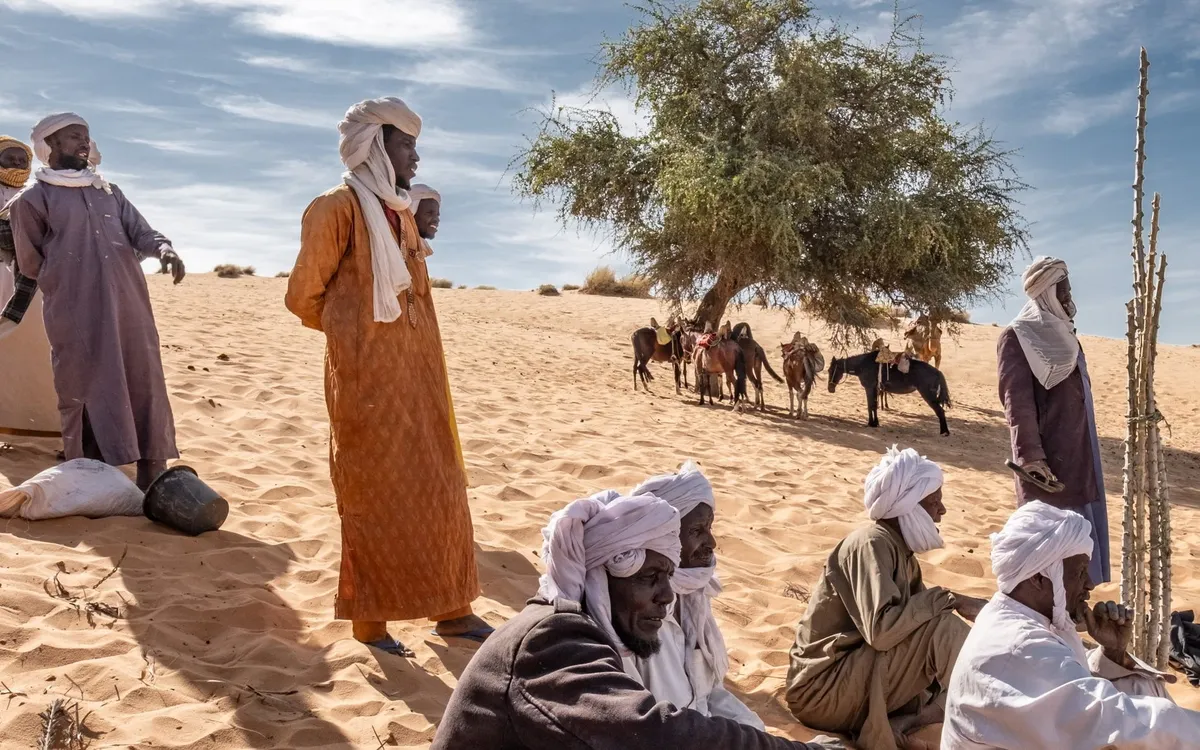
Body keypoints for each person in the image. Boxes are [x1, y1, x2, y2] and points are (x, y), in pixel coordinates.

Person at [284, 97, 489, 656]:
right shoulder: (336, 208)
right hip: (366, 384)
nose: (415, 158)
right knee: (373, 493)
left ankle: (452, 609)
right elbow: (303, 296)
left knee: (440, 485)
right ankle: (370, 623)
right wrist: (357, 336)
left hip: (422, 379)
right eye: (405, 145)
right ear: (376, 147)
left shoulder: (400, 212)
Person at [432, 491, 843, 749]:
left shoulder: (586, 633)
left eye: (667, 577)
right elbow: (652, 732)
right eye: (649, 578)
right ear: (599, 577)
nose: (667, 596)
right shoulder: (552, 637)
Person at [7, 114, 184, 489]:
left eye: (86, 136)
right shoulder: (32, 200)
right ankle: (88, 470)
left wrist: (164, 250)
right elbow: (31, 263)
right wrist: (73, 277)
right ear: (51, 145)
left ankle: (152, 466)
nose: (84, 142)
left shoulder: (109, 192)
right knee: (83, 381)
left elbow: (142, 232)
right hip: (74, 307)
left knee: (143, 375)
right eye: (74, 136)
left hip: (130, 303)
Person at [942, 501, 1200, 748]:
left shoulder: (1029, 619)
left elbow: (1070, 682)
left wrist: (1113, 652)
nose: (1090, 584)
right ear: (1038, 579)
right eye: (1080, 572)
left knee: (1141, 686)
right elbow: (1107, 719)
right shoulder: (1018, 645)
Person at [786, 446, 984, 750]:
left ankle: (912, 722)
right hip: (820, 691)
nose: (942, 511)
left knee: (948, 647)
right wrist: (952, 599)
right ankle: (990, 723)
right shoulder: (870, 543)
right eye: (934, 502)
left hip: (852, 680)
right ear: (908, 505)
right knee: (945, 631)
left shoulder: (901, 553)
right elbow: (882, 632)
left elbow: (916, 624)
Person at [997, 256, 1110, 585]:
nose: (1070, 298)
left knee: (1081, 538)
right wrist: (1031, 456)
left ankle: (1076, 602)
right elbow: (1017, 403)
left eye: (1069, 291)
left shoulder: (1067, 336)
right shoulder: (1017, 337)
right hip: (1047, 462)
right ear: (1046, 292)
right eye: (1063, 291)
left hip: (1080, 450)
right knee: (1049, 546)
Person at [629, 461, 765, 728]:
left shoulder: (694, 597)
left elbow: (708, 694)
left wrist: (760, 736)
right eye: (696, 531)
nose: (711, 542)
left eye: (710, 528)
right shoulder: (636, 613)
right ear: (664, 536)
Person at [0, 135, 61, 441]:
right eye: (9, 158)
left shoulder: (35, 194)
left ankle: (30, 420)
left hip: (28, 282)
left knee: (28, 347)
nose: (16, 164)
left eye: (21, 159)